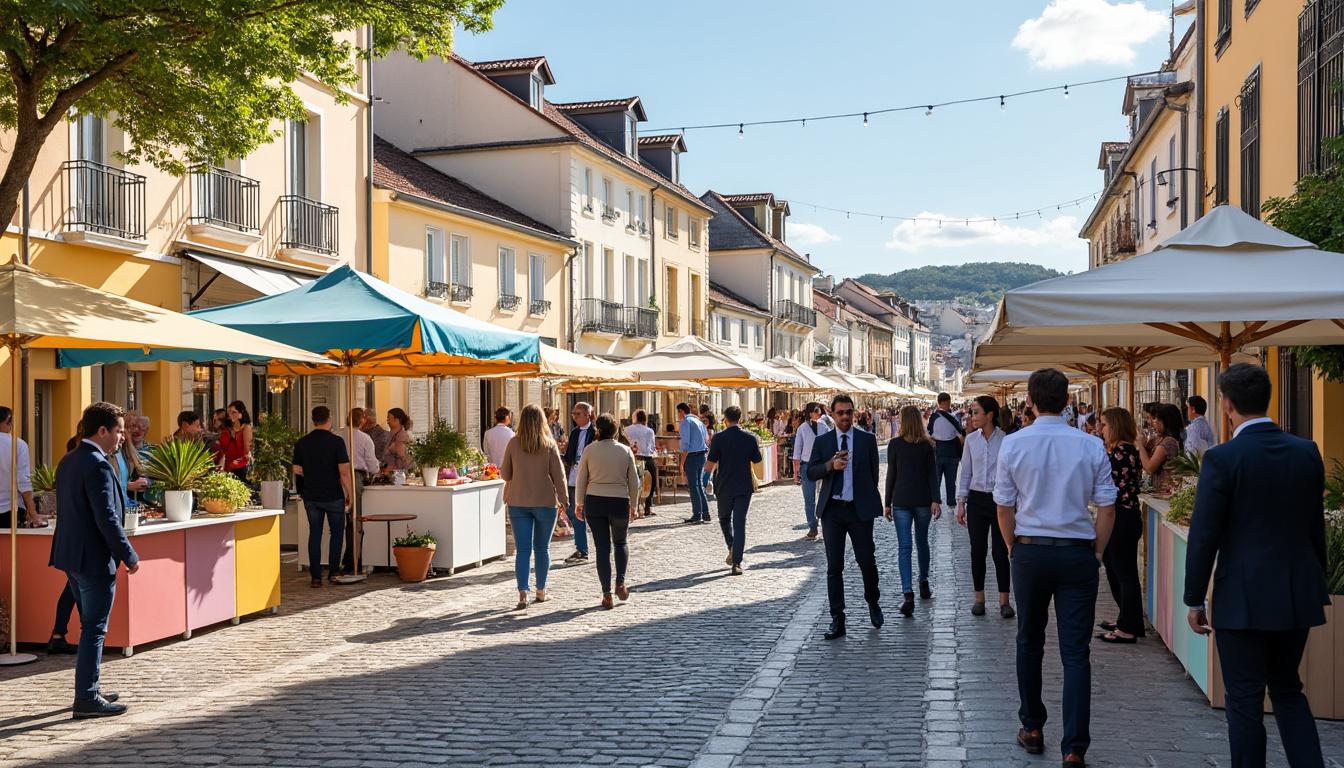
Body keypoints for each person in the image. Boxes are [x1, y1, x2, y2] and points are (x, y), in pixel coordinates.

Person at [1184, 364, 1328, 768]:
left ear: (1227, 405)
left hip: (1242, 596)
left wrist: (1194, 599)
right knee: (1288, 690)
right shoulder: (1307, 451)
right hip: (1295, 591)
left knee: (1244, 700)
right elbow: (1315, 526)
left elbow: (1205, 535)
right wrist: (1314, 578)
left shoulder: (1223, 458)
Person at [994, 368, 1116, 766]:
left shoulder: (1013, 444)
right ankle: (1074, 747)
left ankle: (1031, 726)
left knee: (1029, 641)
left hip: (1031, 550)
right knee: (1075, 652)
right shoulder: (1090, 444)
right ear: (1067, 401)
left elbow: (1004, 506)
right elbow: (1107, 507)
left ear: (1029, 400)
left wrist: (1014, 547)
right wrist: (1096, 552)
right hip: (1077, 550)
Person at [50, 402, 138, 718]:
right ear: (102, 431)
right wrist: (129, 554)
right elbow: (107, 518)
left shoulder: (69, 460)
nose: (122, 437)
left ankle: (90, 688)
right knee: (94, 629)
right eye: (118, 431)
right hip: (93, 558)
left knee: (91, 627)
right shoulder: (98, 465)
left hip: (71, 555)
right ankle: (86, 698)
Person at [807, 394, 883, 640]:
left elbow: (873, 476)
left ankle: (872, 600)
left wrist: (867, 501)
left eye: (849, 412)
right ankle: (837, 618)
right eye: (840, 413)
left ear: (854, 413)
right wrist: (830, 466)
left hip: (859, 510)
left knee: (866, 561)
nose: (845, 417)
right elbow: (810, 472)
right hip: (833, 510)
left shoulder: (866, 440)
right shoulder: (824, 441)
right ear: (832, 413)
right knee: (834, 566)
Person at [501, 403, 568, 610]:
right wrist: (564, 500)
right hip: (545, 502)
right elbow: (559, 476)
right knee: (542, 548)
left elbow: (505, 475)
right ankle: (541, 590)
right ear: (542, 421)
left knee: (522, 550)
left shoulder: (513, 443)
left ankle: (523, 592)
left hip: (518, 502)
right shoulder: (548, 445)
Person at [574, 413, 640, 610]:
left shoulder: (589, 450)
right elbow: (634, 481)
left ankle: (606, 593)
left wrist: (579, 503)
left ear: (598, 430)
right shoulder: (625, 450)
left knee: (602, 548)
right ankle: (620, 582)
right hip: (619, 501)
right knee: (620, 542)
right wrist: (634, 505)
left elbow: (581, 479)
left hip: (595, 502)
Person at [957, 396, 1013, 619]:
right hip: (977, 500)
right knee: (977, 550)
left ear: (990, 415)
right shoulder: (971, 440)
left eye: (976, 412)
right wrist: (961, 502)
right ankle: (979, 598)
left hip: (1000, 500)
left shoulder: (1007, 440)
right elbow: (966, 473)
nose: (972, 417)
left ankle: (1004, 600)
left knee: (1001, 551)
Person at [883, 404, 941, 617]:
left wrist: (887, 501)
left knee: (905, 547)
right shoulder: (927, 445)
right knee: (921, 542)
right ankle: (922, 582)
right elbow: (931, 476)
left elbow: (892, 475)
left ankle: (908, 593)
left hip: (902, 500)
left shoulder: (895, 444)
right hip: (922, 500)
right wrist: (936, 499)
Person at [1096, 407, 1144, 644]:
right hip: (1125, 515)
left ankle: (1129, 626)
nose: (1101, 429)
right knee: (1117, 570)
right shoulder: (1122, 451)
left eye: (1104, 425)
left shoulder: (1121, 453)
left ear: (1114, 426)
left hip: (1122, 517)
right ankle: (1127, 618)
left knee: (1123, 573)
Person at [292, 406, 352, 588]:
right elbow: (344, 472)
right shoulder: (337, 442)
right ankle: (333, 572)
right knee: (336, 534)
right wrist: (350, 493)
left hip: (311, 495)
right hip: (333, 494)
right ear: (329, 419)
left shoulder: (302, 442)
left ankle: (316, 576)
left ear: (313, 420)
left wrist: (307, 480)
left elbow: (296, 469)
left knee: (315, 534)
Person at [706, 405, 762, 576]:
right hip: (744, 485)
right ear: (740, 419)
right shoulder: (750, 438)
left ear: (725, 419)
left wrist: (703, 477)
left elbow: (709, 465)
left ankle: (732, 547)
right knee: (740, 523)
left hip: (724, 485)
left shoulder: (718, 438)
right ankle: (736, 561)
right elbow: (757, 460)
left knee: (724, 519)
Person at [341, 408, 379, 577]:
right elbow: (372, 465)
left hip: (336, 476)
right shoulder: (364, 438)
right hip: (355, 476)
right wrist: (377, 471)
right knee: (355, 521)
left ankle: (344, 559)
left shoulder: (337, 435)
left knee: (340, 520)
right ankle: (353, 560)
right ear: (362, 420)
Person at [561, 402, 596, 564]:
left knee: (581, 514)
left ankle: (583, 549)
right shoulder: (574, 432)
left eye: (577, 414)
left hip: (589, 478)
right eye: (573, 414)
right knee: (572, 511)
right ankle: (582, 548)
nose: (574, 417)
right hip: (574, 477)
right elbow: (569, 456)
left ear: (587, 415)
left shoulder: (595, 432)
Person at [792, 402, 830, 540]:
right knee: (812, 498)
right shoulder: (804, 428)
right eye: (816, 411)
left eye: (819, 411)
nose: (818, 413)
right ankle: (813, 526)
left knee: (818, 497)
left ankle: (818, 525)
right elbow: (797, 451)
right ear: (810, 413)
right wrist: (796, 472)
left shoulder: (822, 426)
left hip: (818, 465)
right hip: (811, 465)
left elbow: (829, 446)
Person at [0, 406, 35, 529]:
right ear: (8, 421)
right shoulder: (18, 445)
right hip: (10, 509)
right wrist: (33, 513)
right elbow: (23, 481)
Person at [927, 392, 965, 506]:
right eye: (948, 402)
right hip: (952, 453)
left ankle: (935, 502)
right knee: (950, 481)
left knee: (936, 480)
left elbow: (929, 434)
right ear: (946, 402)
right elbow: (961, 435)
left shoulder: (933, 417)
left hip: (938, 452)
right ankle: (951, 503)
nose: (949, 405)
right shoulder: (952, 418)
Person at [1138, 403, 1184, 494]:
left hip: (1164, 493)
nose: (1154, 422)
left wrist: (1140, 446)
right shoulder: (1160, 439)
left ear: (1166, 421)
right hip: (1157, 492)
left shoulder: (1169, 442)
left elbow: (1150, 468)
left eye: (1157, 419)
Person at [677, 402, 710, 524]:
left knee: (693, 486)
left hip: (692, 456)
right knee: (699, 485)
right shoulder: (698, 421)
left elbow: (685, 443)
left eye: (678, 413)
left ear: (681, 411)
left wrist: (682, 462)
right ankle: (705, 513)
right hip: (702, 454)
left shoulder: (686, 422)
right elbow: (706, 439)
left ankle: (697, 514)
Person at [624, 409, 658, 517]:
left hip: (632, 458)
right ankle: (648, 506)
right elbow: (652, 447)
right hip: (647, 458)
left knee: (632, 483)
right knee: (652, 481)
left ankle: (634, 506)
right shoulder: (649, 431)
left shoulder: (627, 429)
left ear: (635, 418)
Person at [218, 400, 253, 483]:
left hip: (241, 465)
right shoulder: (227, 429)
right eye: (229, 412)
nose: (230, 415)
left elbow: (246, 450)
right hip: (228, 465)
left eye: (234, 412)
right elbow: (222, 448)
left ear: (241, 413)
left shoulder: (246, 428)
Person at [384, 408, 413, 473]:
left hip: (399, 475)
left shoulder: (402, 436)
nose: (387, 421)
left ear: (396, 420)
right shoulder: (392, 435)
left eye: (389, 419)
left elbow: (402, 457)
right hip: (392, 474)